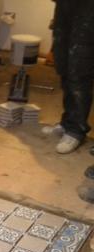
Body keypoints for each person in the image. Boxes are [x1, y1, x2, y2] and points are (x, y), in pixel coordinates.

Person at [42, 0, 94, 155]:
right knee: (63, 65)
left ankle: (76, 131)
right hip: (65, 7)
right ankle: (67, 123)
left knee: (78, 72)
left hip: (88, 10)